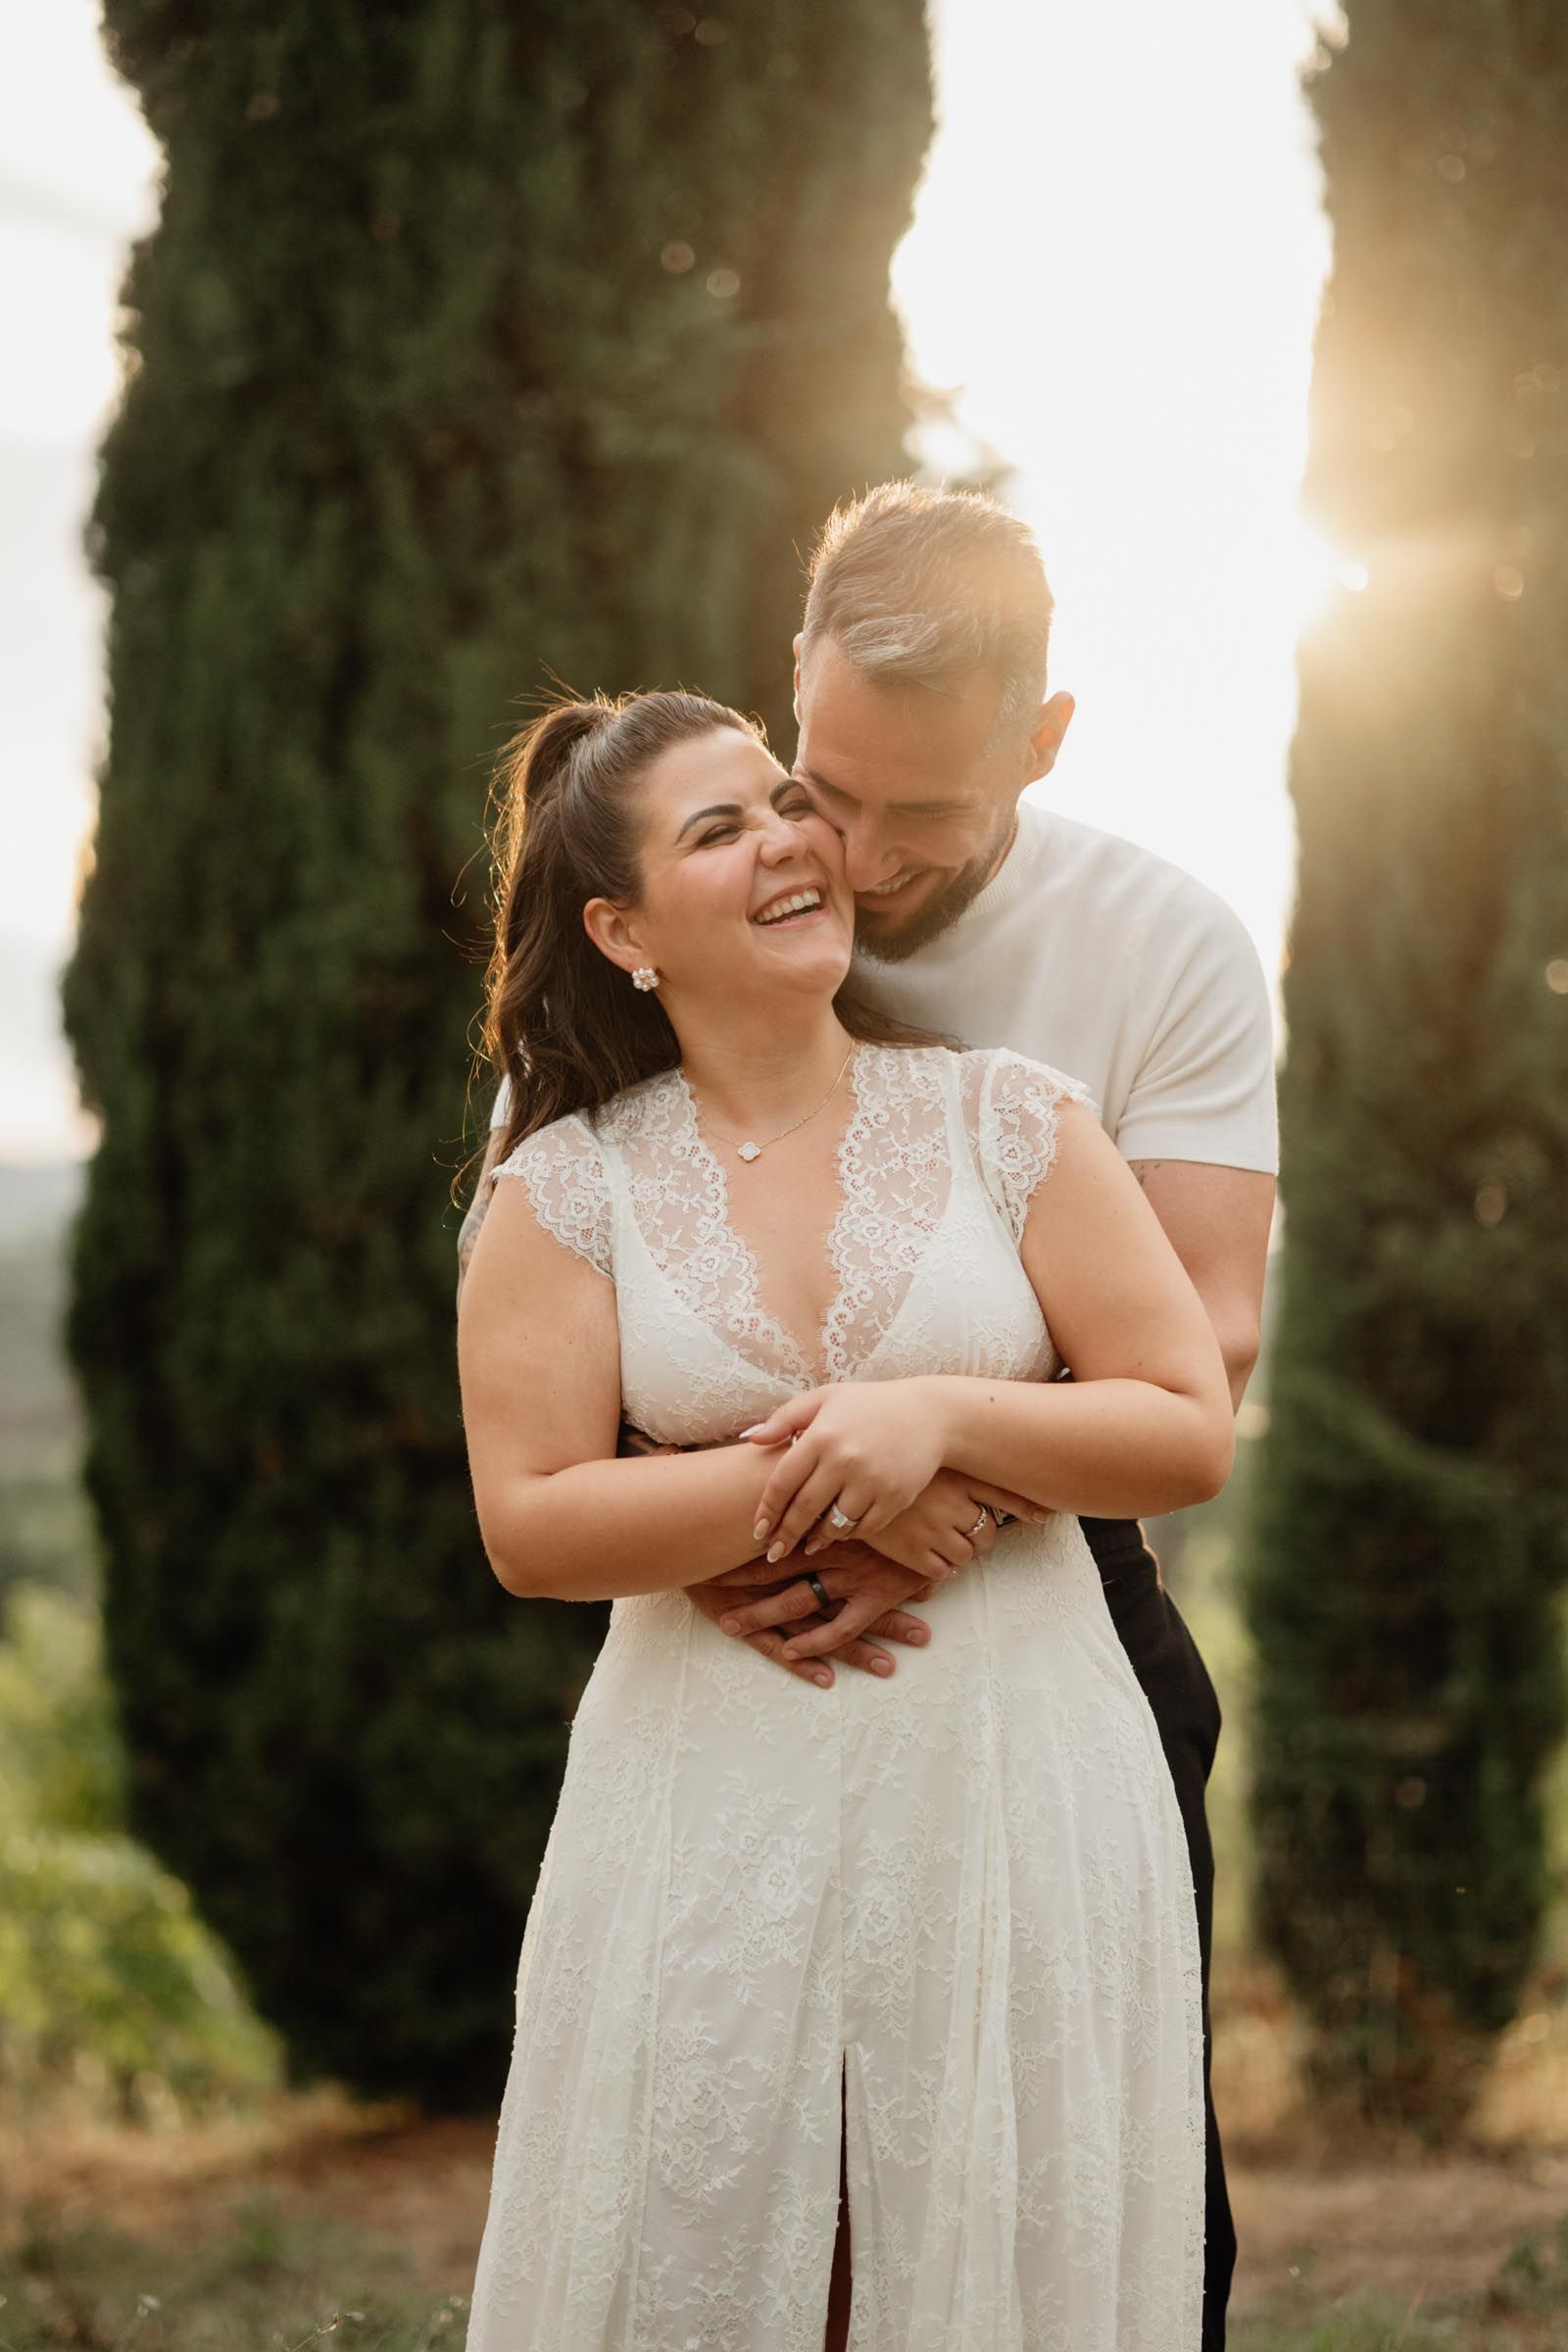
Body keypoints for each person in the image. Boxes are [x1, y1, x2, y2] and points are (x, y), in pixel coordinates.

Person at [461, 485, 1277, 2347]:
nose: (844, 849)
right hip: (725, 1713)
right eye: (799, 790)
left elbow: (1198, 1359)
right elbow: (541, 1471)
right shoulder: (576, 1149)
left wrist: (927, 1442)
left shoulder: (1111, 1001)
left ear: (1041, 745)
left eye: (912, 814)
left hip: (1049, 1647)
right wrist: (787, 1500)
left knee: (1069, 2195)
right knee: (731, 2219)